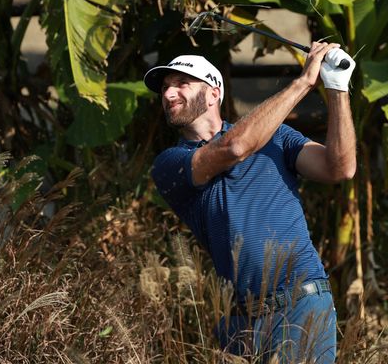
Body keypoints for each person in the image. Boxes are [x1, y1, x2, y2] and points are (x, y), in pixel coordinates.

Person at [144, 42, 356, 363]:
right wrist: (303, 83)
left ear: (215, 93)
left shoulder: (278, 137)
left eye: (181, 84)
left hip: (300, 305)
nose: (169, 94)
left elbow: (339, 167)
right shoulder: (170, 163)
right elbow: (234, 148)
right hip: (240, 323)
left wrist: (337, 88)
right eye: (165, 88)